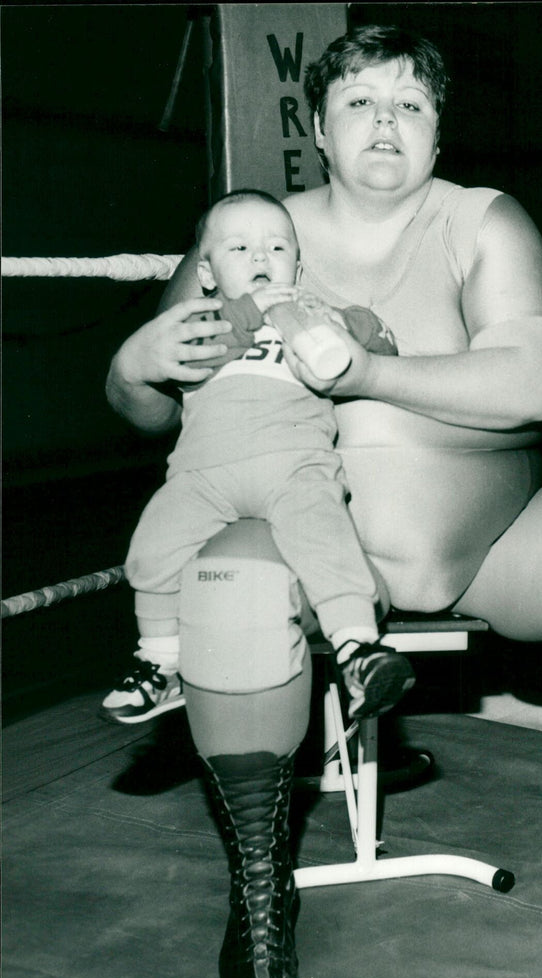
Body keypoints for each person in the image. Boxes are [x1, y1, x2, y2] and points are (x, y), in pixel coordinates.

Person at [104, 24, 542, 978]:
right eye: (360, 103)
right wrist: (129, 365)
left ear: (436, 132)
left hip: (487, 538)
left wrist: (365, 368)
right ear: (318, 126)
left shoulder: (485, 222)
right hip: (311, 535)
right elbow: (156, 413)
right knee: (230, 588)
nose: (384, 121)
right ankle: (258, 892)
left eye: (409, 105)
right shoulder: (248, 230)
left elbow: (530, 383)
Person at [101, 188, 414, 729]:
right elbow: (204, 345)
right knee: (153, 546)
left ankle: (358, 650)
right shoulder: (202, 321)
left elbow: (381, 347)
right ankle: (160, 660)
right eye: (239, 249)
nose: (261, 259)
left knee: (323, 535)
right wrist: (257, 309)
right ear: (206, 271)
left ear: (297, 262)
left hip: (294, 466)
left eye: (276, 247)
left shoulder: (317, 316)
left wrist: (357, 328)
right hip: (203, 476)